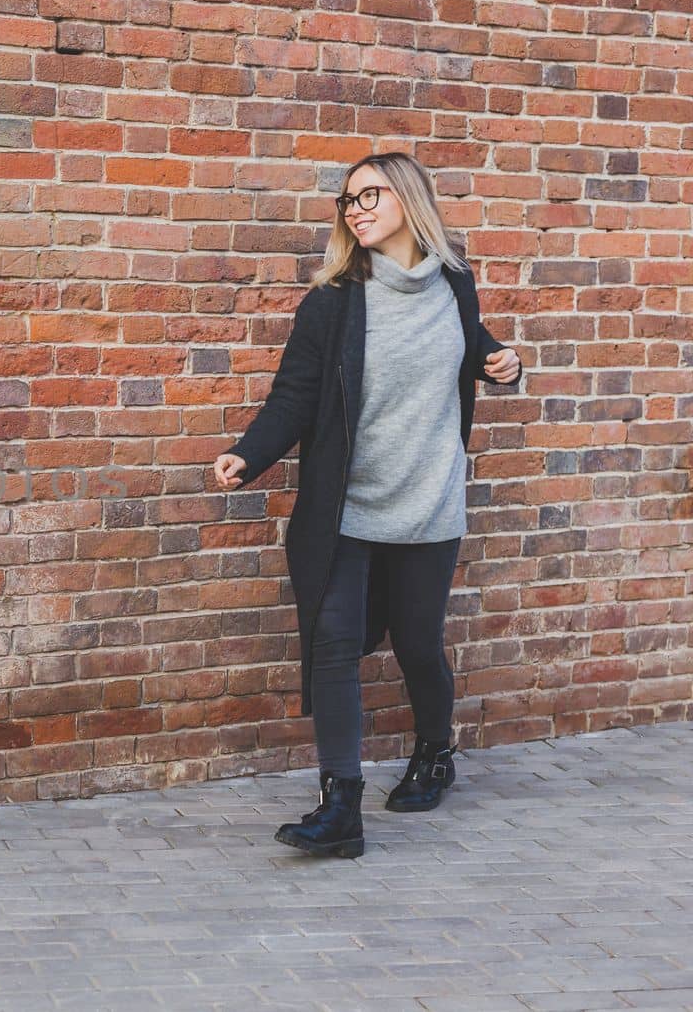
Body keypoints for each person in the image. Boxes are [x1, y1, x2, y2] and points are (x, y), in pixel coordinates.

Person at [212, 152, 522, 858]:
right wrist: (250, 453)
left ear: (408, 198)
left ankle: (435, 752)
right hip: (346, 507)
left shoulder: (454, 285)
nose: (354, 208)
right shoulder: (333, 302)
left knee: (417, 643)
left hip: (428, 497)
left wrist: (503, 361)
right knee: (333, 641)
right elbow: (293, 395)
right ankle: (340, 805)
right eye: (346, 200)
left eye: (368, 194)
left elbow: (468, 347)